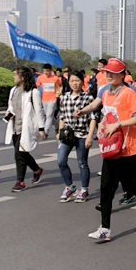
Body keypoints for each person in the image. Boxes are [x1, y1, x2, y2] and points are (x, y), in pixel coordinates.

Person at [84, 58, 136, 241]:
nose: (108, 76)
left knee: (132, 184)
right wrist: (101, 124)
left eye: (113, 73)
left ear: (122, 75)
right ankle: (105, 228)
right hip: (112, 147)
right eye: (107, 72)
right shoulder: (106, 93)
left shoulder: (129, 93)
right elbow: (107, 115)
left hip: (129, 147)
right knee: (106, 187)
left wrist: (119, 124)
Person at [56, 70, 97, 203]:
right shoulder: (64, 97)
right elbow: (62, 116)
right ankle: (69, 186)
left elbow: (93, 118)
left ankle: (84, 189)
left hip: (82, 134)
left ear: (82, 82)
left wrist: (90, 136)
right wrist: (60, 132)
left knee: (82, 163)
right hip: (67, 134)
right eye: (72, 81)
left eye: (77, 80)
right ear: (68, 82)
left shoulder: (88, 98)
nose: (75, 83)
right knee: (61, 161)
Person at [5, 67, 47, 192]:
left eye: (16, 74)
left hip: (26, 127)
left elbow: (39, 111)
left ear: (22, 77)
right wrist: (8, 114)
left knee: (19, 154)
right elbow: (11, 107)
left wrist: (41, 128)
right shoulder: (13, 90)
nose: (14, 77)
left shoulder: (33, 92)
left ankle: (20, 182)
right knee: (22, 152)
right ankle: (37, 170)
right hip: (15, 126)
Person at [36, 63, 61, 137]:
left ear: (51, 71)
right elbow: (37, 86)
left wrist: (60, 92)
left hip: (52, 99)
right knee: (49, 115)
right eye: (44, 71)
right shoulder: (40, 78)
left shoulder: (55, 78)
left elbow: (60, 85)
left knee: (49, 116)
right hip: (44, 99)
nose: (46, 73)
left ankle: (45, 132)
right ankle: (56, 126)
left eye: (47, 71)